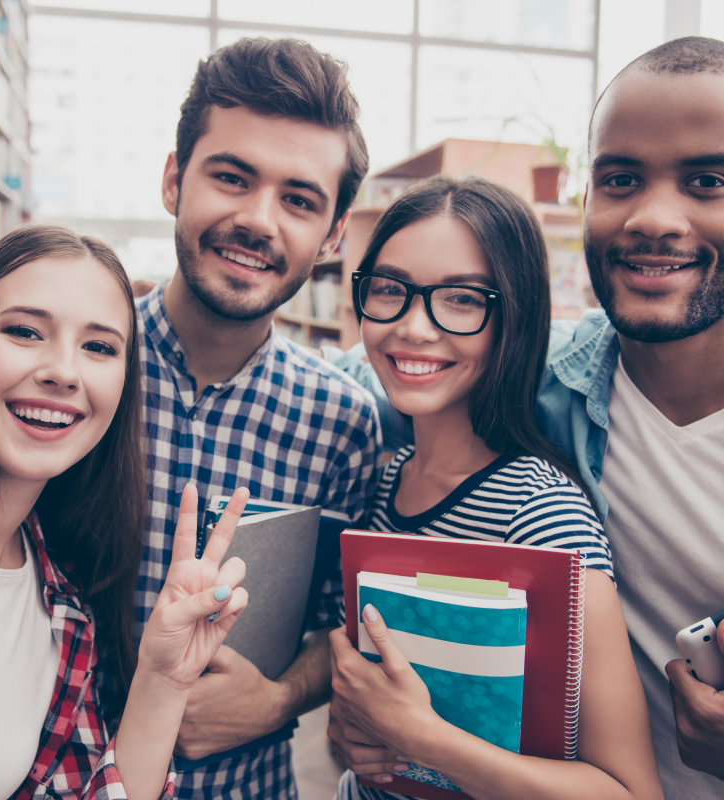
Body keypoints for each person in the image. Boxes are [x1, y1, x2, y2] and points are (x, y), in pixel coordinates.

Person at [327, 35, 724, 800]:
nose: (654, 218)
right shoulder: (537, 385)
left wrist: (420, 738)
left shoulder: (541, 504)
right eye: (620, 178)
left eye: (707, 179)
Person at [325, 175, 662, 799]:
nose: (414, 328)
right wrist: (352, 736)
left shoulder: (542, 513)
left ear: (516, 316)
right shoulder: (382, 479)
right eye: (391, 290)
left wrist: (426, 741)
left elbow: (630, 791)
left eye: (460, 299)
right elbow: (367, 726)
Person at [124, 37, 381, 800]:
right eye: (232, 177)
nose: (258, 220)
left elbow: (344, 630)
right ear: (175, 180)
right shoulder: (78, 376)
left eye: (299, 200)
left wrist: (276, 699)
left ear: (334, 235)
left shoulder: (343, 419)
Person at [0, 225, 249, 800]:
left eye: (99, 347)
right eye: (24, 331)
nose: (64, 372)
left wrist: (163, 679)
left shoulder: (61, 601)